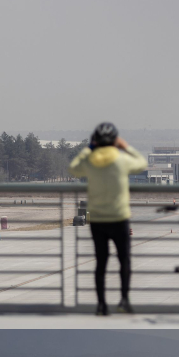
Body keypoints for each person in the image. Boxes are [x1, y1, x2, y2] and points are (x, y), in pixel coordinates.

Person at [67, 122, 149, 316]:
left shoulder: (91, 161)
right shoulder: (121, 159)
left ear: (95, 141)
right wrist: (125, 146)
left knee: (101, 264)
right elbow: (142, 163)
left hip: (98, 221)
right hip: (119, 218)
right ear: (114, 141)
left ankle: (102, 305)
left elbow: (73, 168)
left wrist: (89, 148)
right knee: (124, 261)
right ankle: (124, 300)